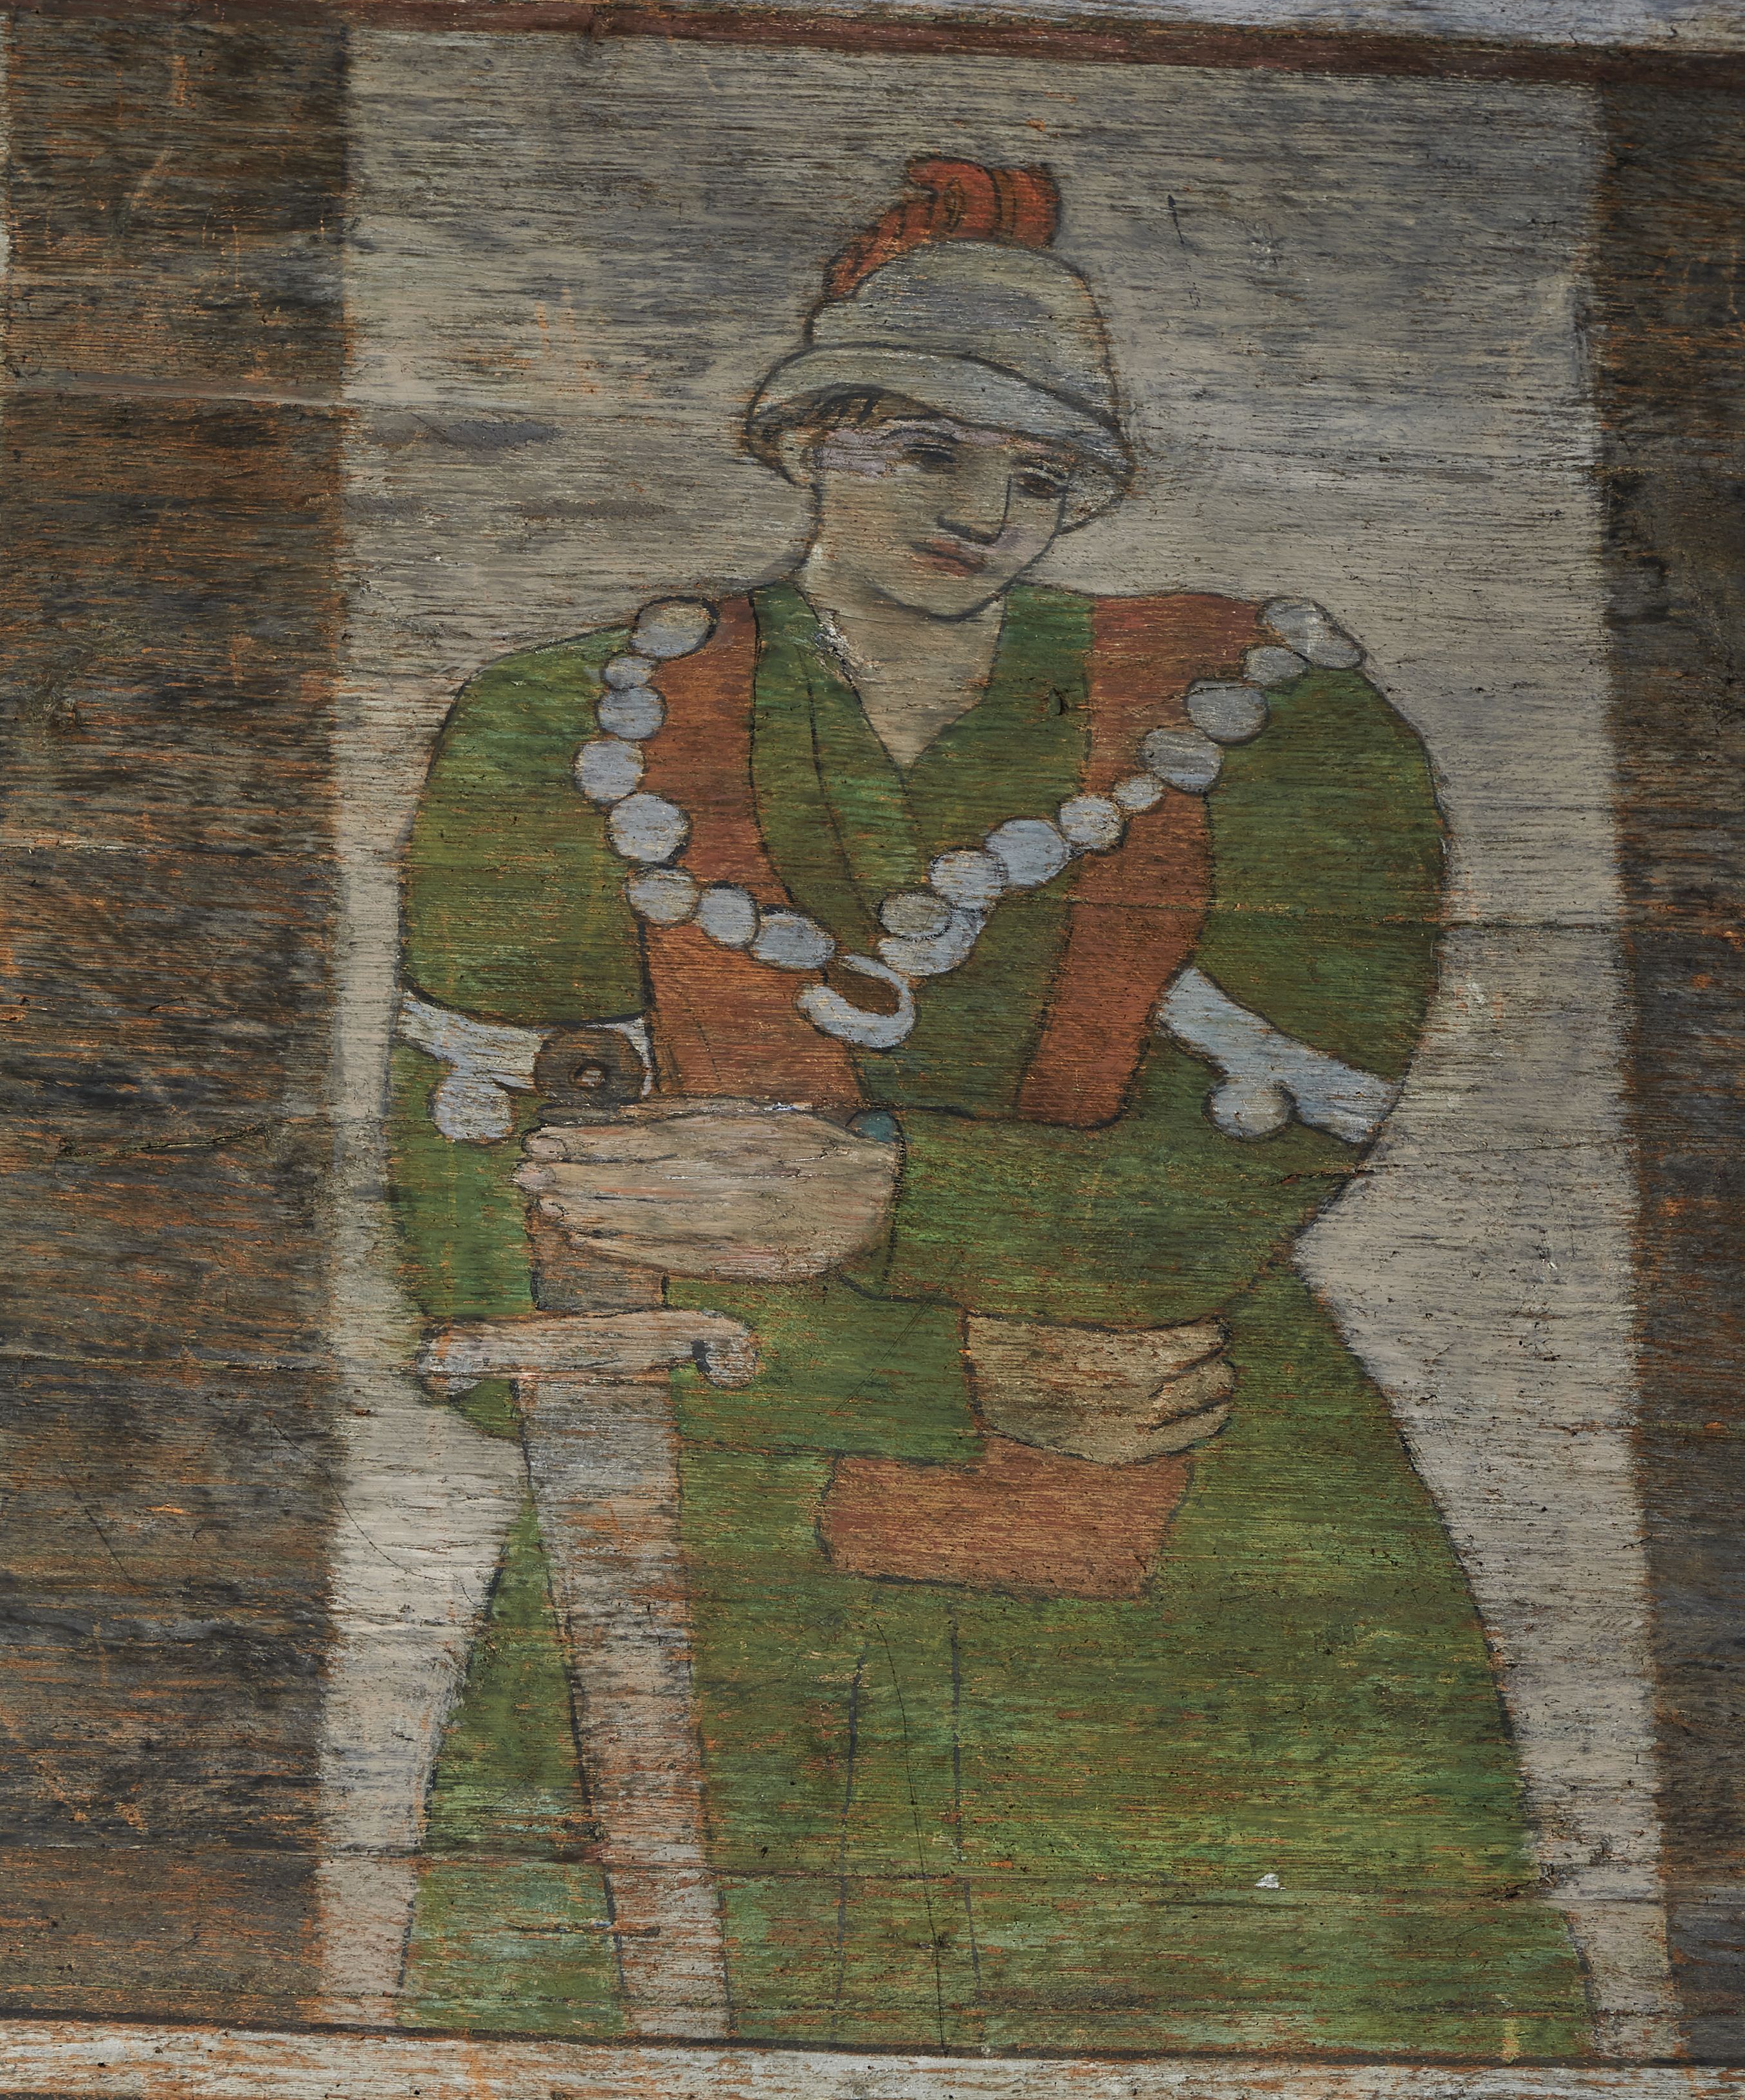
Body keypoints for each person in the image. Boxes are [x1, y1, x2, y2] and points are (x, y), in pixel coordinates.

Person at [387, 157, 1588, 2052]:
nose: (978, 514)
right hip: (710, 1526)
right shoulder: (558, 730)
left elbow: (1225, 1186)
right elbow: (482, 1251)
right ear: (813, 438)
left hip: (1198, 1513)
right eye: (927, 449)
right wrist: (933, 1372)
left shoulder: (1264, 723)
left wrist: (871, 1199)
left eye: (1039, 478)